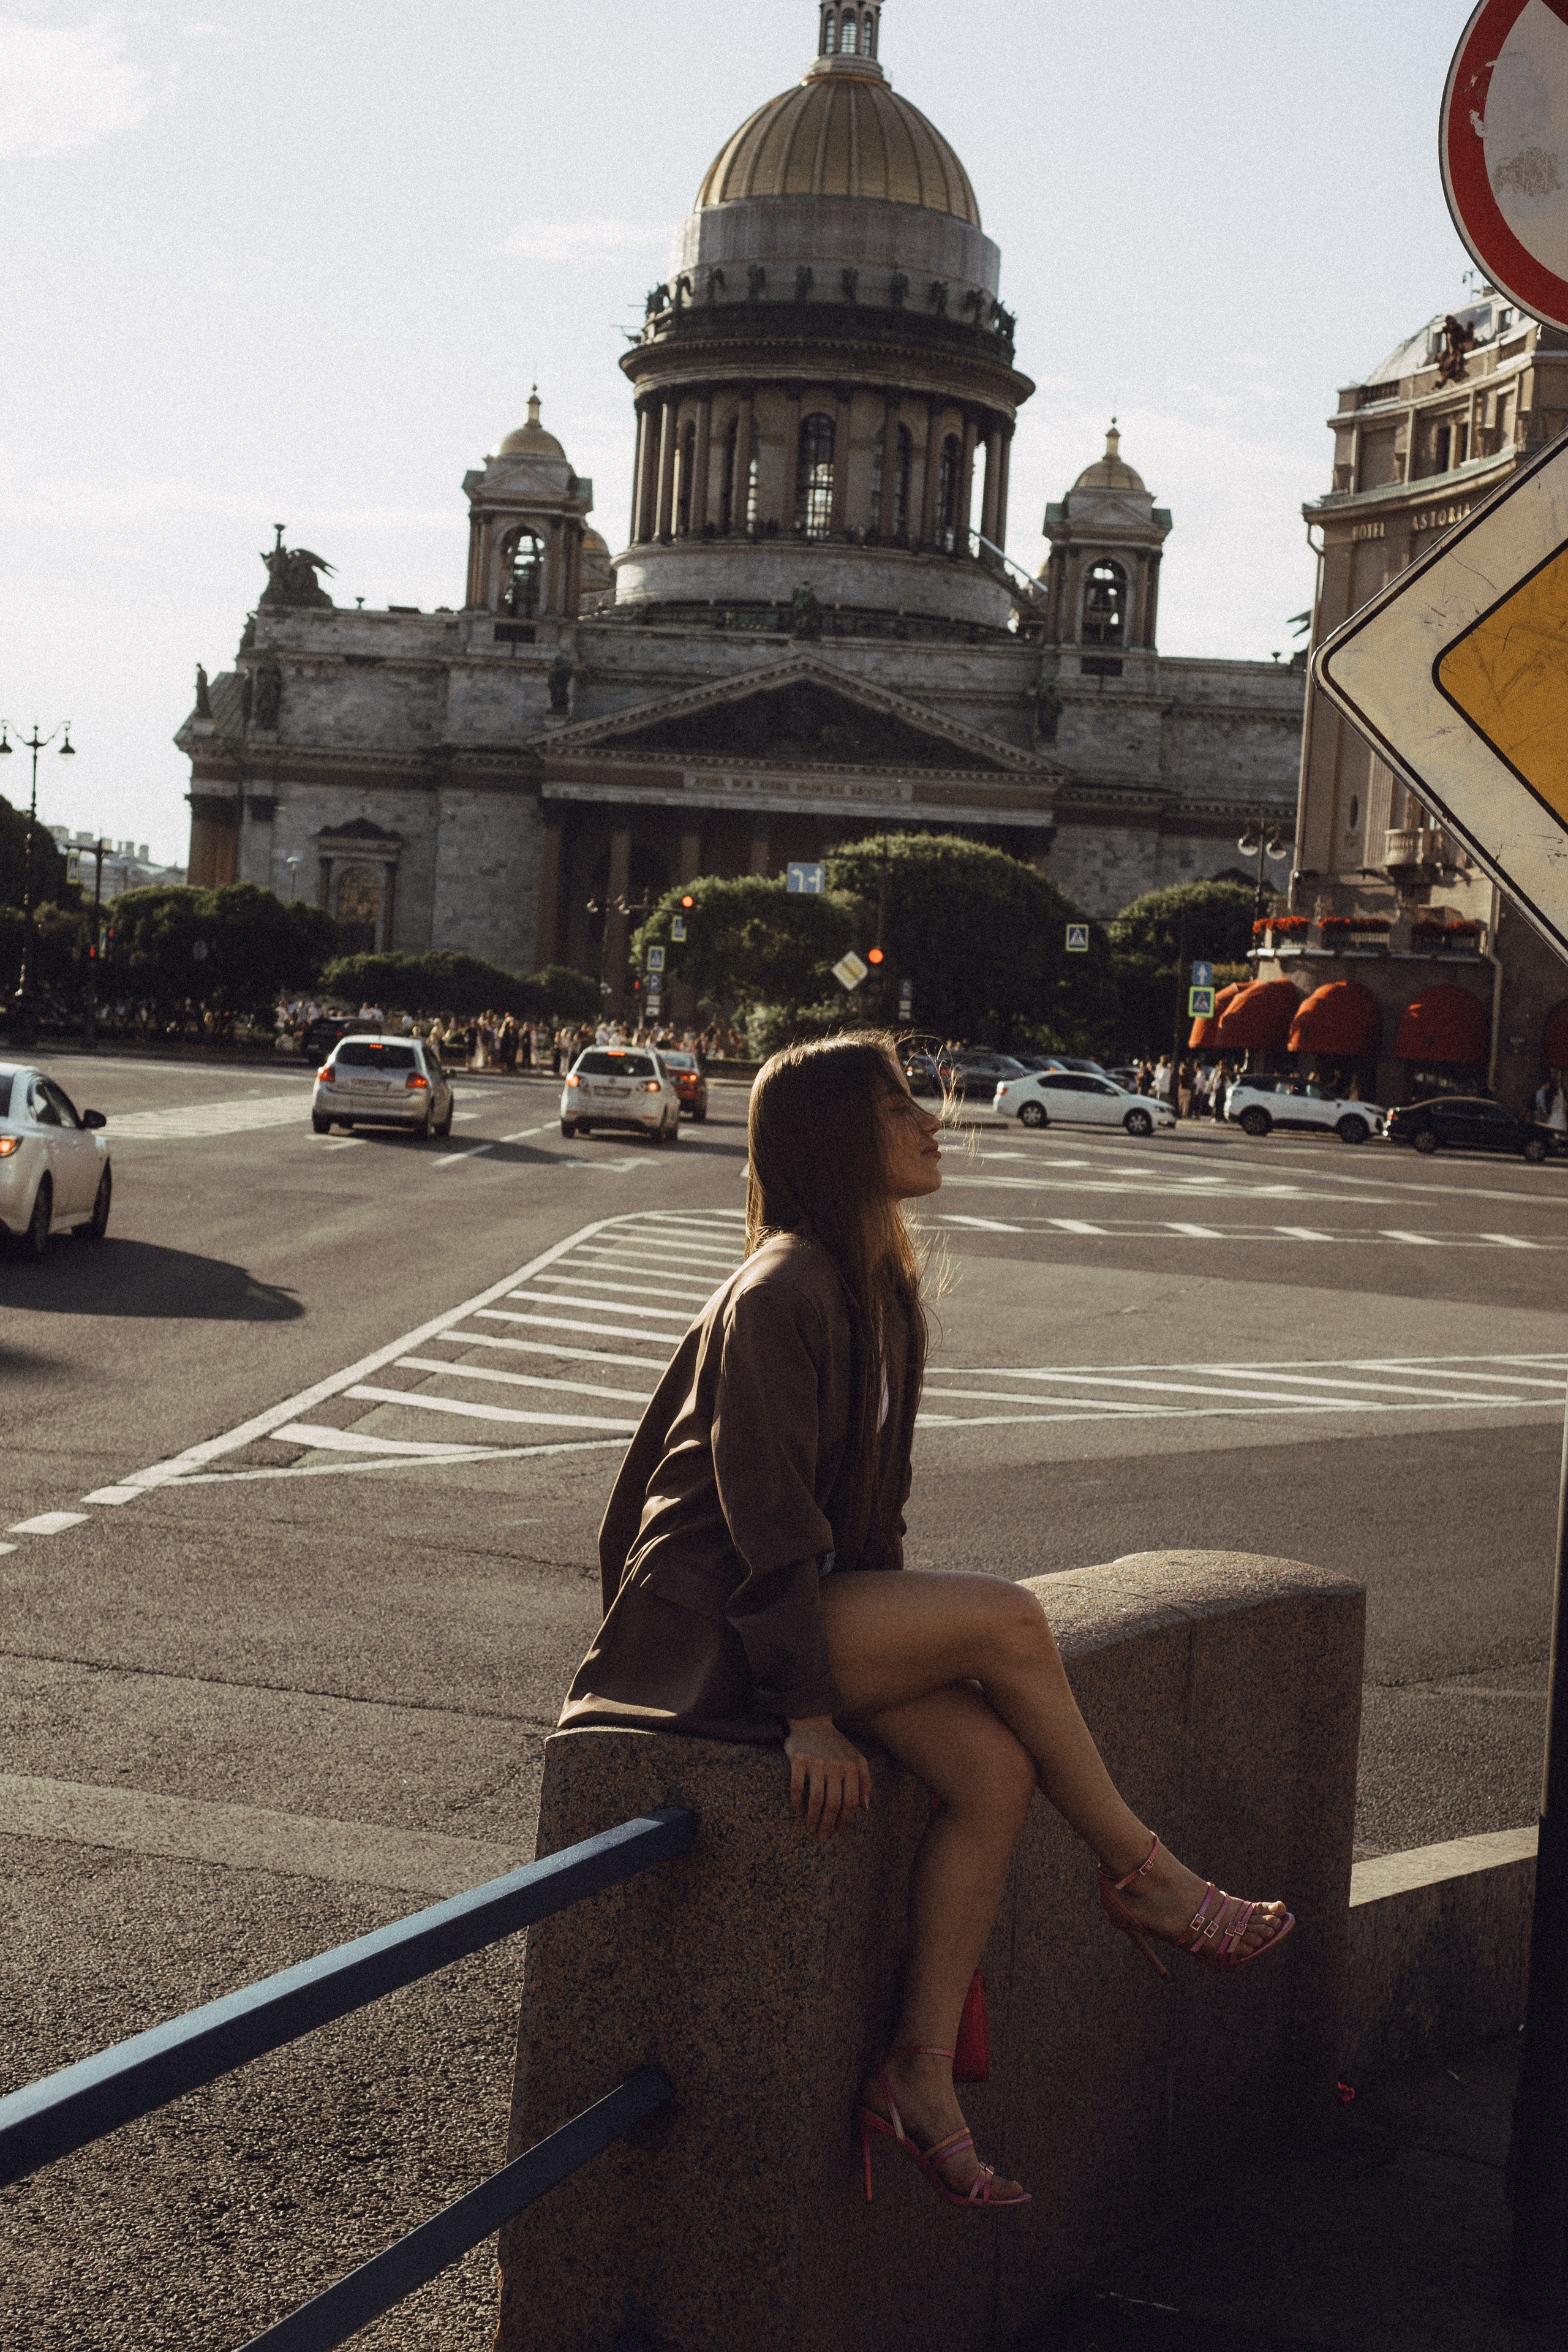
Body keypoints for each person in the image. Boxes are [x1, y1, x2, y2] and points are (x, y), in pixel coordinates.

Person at [561, 1033, 1294, 2212]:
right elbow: (763, 1523)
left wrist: (880, 1661)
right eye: (901, 1102)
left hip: (796, 1615)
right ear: (840, 1141)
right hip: (710, 1639)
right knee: (1009, 1622)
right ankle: (1146, 1874)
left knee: (996, 1773)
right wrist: (809, 1712)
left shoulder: (879, 1288)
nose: (933, 1118)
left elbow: (871, 1529)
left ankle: (918, 2074)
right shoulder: (782, 1284)